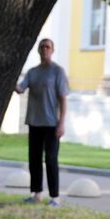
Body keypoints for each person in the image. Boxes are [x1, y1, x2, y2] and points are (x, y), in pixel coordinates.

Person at [14, 37, 69, 206]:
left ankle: (55, 197)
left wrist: (61, 123)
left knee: (51, 160)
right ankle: (36, 193)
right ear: (38, 51)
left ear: (52, 50)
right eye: (42, 47)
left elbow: (63, 99)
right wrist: (9, 76)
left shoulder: (57, 72)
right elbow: (20, 89)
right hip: (34, 122)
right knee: (34, 159)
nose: (45, 50)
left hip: (51, 123)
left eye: (48, 47)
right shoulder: (32, 72)